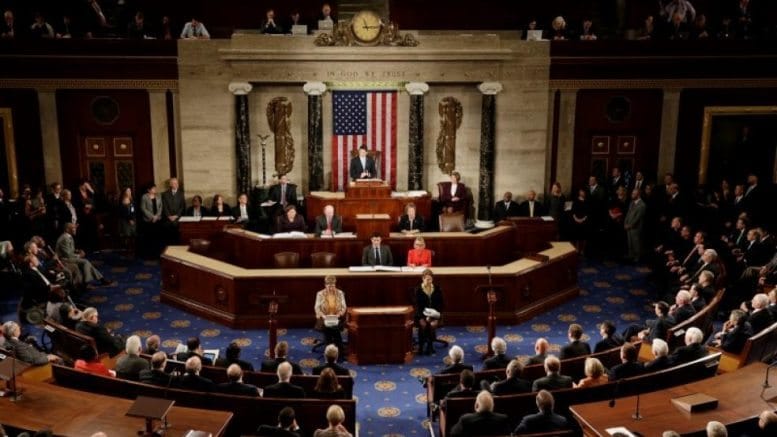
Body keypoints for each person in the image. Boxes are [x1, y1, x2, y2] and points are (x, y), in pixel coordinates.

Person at [414, 269, 443, 355]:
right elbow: (417, 306)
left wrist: (436, 317)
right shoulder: (418, 290)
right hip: (421, 315)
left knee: (431, 325)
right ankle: (421, 346)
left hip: (434, 315)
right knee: (423, 325)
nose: (429, 281)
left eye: (430, 279)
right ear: (423, 279)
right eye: (427, 279)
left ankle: (430, 346)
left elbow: (441, 304)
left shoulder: (437, 289)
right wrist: (422, 318)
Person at [315, 275, 347, 353]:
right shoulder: (320, 294)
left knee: (333, 327)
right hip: (324, 318)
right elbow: (317, 308)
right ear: (325, 285)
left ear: (335, 285)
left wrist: (339, 314)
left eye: (332, 286)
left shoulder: (340, 293)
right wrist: (323, 316)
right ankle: (338, 349)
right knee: (330, 328)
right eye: (329, 286)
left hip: (337, 317)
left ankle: (331, 351)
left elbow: (344, 306)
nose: (331, 288)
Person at [139, 183, 163, 256]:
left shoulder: (158, 195)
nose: (155, 189)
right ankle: (149, 254)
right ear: (149, 190)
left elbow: (160, 207)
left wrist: (156, 216)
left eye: (155, 188)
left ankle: (157, 254)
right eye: (153, 188)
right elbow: (143, 208)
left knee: (157, 238)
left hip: (158, 220)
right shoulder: (144, 197)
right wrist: (152, 217)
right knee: (149, 238)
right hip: (148, 221)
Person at [625, 188, 647, 263]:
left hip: (636, 227)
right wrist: (625, 223)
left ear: (638, 195)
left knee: (636, 243)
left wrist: (630, 225)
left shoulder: (642, 205)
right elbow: (628, 214)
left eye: (634, 194)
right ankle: (631, 255)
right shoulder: (631, 203)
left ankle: (637, 257)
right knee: (630, 241)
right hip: (629, 226)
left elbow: (638, 217)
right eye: (632, 193)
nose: (632, 195)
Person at [117, 187, 136, 256]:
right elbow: (124, 213)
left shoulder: (131, 199)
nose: (129, 192)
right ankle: (127, 251)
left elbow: (132, 209)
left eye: (130, 190)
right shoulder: (123, 200)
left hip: (132, 219)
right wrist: (129, 219)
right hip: (125, 220)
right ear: (124, 192)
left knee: (133, 235)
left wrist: (132, 218)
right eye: (128, 191)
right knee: (127, 235)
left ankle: (132, 250)